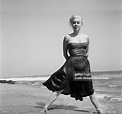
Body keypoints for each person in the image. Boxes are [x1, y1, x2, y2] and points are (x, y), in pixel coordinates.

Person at [42, 15, 101, 114]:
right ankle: (45, 107)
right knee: (60, 86)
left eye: (78, 22)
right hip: (70, 65)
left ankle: (99, 109)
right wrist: (72, 62)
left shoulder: (86, 37)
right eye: (74, 22)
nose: (76, 24)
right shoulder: (67, 37)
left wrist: (82, 63)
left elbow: (87, 53)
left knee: (89, 88)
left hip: (84, 66)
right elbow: (65, 53)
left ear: (81, 23)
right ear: (71, 24)